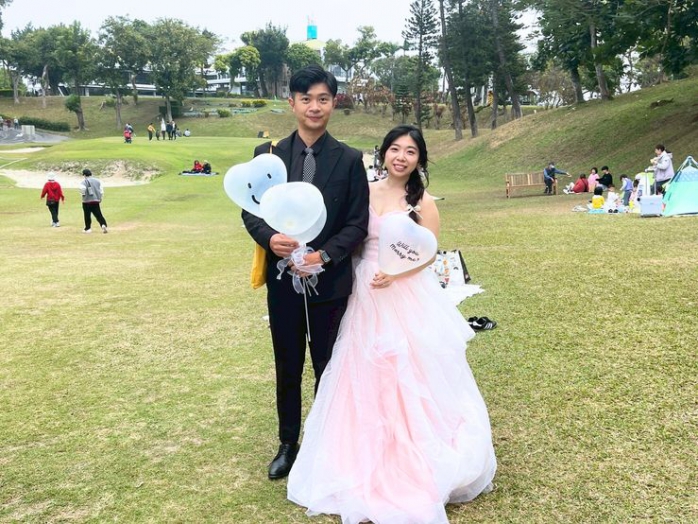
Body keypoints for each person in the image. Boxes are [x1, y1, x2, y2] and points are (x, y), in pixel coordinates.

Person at [287, 125, 496, 523]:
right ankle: (362, 453)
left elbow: (429, 253)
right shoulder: (364, 190)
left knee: (408, 368)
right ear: (383, 153)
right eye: (395, 149)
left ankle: (415, 452)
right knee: (362, 366)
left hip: (402, 291)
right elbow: (349, 233)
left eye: (410, 151)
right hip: (363, 289)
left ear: (420, 160)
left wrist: (397, 273)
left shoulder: (423, 202)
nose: (401, 157)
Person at [241, 65, 369, 480]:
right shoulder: (269, 156)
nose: (315, 107)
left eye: (323, 99)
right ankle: (288, 443)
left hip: (331, 283)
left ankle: (325, 441)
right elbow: (251, 210)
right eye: (307, 99)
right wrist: (269, 238)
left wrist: (324, 256)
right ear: (292, 103)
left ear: (334, 103)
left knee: (328, 365)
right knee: (288, 363)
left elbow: (357, 223)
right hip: (284, 284)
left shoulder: (349, 159)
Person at [79, 169, 108, 234]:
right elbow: (101, 191)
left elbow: (82, 189)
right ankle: (103, 224)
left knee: (87, 215)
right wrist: (100, 198)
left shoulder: (84, 182)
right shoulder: (97, 181)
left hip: (86, 201)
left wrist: (83, 195)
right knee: (98, 214)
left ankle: (88, 228)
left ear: (84, 175)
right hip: (95, 200)